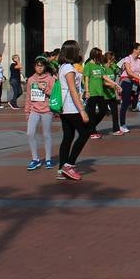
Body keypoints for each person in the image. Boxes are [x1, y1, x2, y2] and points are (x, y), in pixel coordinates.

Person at [54, 40, 91, 181]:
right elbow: (73, 90)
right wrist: (82, 110)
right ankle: (69, 165)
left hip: (65, 107)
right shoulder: (69, 69)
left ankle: (61, 168)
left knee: (68, 136)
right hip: (71, 107)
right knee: (85, 132)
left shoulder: (62, 66)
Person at [24, 57, 55, 171]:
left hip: (47, 110)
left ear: (45, 66)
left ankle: (48, 159)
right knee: (30, 133)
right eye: (37, 65)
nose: (39, 67)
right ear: (34, 67)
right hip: (34, 110)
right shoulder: (31, 79)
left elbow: (54, 94)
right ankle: (35, 159)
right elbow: (28, 96)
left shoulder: (50, 79)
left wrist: (45, 89)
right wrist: (27, 111)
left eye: (41, 65)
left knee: (46, 135)